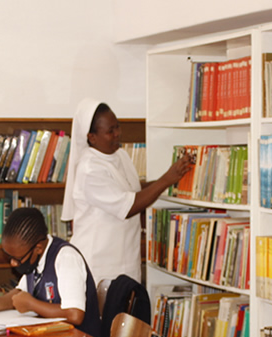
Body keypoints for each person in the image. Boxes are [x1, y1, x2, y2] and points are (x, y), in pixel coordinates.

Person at [61, 98, 195, 287]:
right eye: (110, 131)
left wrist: (175, 177)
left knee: (125, 315)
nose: (117, 134)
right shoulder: (90, 168)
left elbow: (133, 189)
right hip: (99, 263)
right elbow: (129, 206)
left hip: (126, 259)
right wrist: (167, 179)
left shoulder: (120, 155)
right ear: (91, 137)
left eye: (118, 127)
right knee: (105, 316)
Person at [0, 206, 101, 337]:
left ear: (38, 249)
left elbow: (75, 315)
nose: (12, 263)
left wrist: (31, 304)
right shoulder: (33, 259)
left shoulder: (66, 258)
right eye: (9, 257)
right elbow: (19, 294)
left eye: (17, 259)